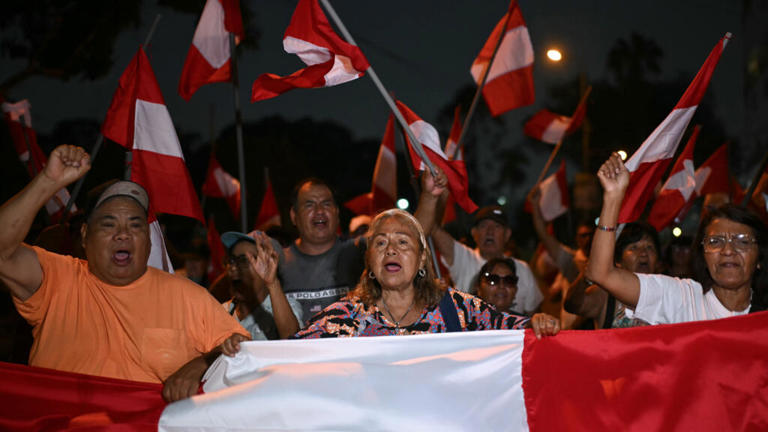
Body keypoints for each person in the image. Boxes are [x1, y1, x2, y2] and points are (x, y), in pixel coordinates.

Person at [0, 145, 249, 402]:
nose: (123, 234)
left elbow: (241, 349)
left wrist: (200, 365)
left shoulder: (189, 297)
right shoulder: (56, 279)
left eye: (135, 225)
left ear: (149, 241)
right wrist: (47, 182)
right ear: (85, 236)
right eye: (109, 225)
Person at [294, 209, 560, 339]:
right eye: (381, 243)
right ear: (370, 260)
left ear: (422, 258)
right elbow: (286, 356)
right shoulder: (344, 318)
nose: (391, 251)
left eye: (402, 242)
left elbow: (514, 328)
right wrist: (250, 350)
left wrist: (538, 322)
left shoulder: (457, 309)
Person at [585, 152, 768, 324]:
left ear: (759, 257)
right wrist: (613, 197)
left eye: (742, 241)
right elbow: (601, 273)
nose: (728, 250)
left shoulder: (762, 319)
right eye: (715, 242)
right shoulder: (680, 298)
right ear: (702, 255)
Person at [415, 172, 542, 315]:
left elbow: (533, 315)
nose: (489, 231)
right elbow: (431, 227)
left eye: (497, 227)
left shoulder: (523, 269)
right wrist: (437, 196)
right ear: (474, 233)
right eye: (483, 226)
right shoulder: (462, 257)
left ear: (507, 235)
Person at [276, 178, 367, 320]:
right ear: (294, 216)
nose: (319, 211)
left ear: (336, 212)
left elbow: (409, 237)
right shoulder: (276, 262)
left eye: (326, 204)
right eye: (309, 205)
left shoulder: (359, 252)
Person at [565, 222, 662, 328]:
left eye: (649, 247)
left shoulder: (668, 293)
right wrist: (586, 276)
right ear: (618, 261)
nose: (643, 254)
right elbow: (572, 305)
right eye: (634, 248)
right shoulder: (606, 295)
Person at [220, 230, 303, 340]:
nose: (233, 268)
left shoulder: (286, 309)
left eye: (244, 260)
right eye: (231, 260)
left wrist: (273, 283)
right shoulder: (221, 312)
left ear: (271, 267)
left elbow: (292, 339)